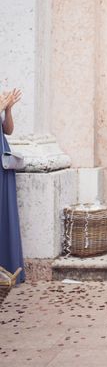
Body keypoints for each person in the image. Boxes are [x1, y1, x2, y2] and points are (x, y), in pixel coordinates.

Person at [0, 88, 25, 284]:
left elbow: (8, 130)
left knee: (5, 215)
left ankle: (7, 270)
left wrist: (7, 110)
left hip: (3, 163)